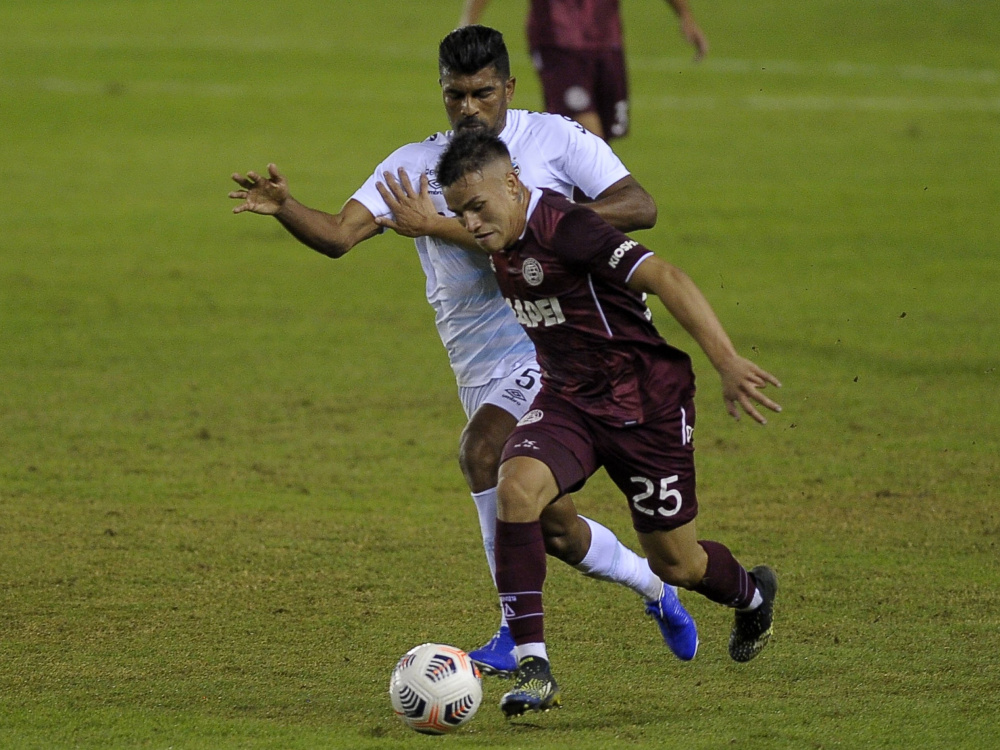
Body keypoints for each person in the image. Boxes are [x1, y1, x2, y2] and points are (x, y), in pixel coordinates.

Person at [229, 25, 697, 676]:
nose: (469, 108)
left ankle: (516, 639)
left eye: (482, 93)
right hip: (477, 365)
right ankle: (656, 587)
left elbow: (638, 205)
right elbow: (339, 235)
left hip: (552, 347)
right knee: (554, 529)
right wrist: (285, 207)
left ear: (508, 87)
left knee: (480, 449)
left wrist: (537, 221)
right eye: (455, 95)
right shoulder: (416, 165)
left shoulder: (552, 139)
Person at [436, 130, 781, 717]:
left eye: (477, 207)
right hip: (569, 399)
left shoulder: (568, 228)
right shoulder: (500, 234)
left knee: (678, 562)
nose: (470, 223)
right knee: (515, 487)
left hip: (646, 404)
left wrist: (726, 361)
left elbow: (666, 276)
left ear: (514, 185)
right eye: (459, 211)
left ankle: (752, 594)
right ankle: (534, 666)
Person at [459, 0, 709, 140]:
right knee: (587, 137)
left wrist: (685, 16)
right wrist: (468, 22)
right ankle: (587, 224)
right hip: (558, 41)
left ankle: (573, 217)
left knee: (600, 149)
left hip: (607, 42)